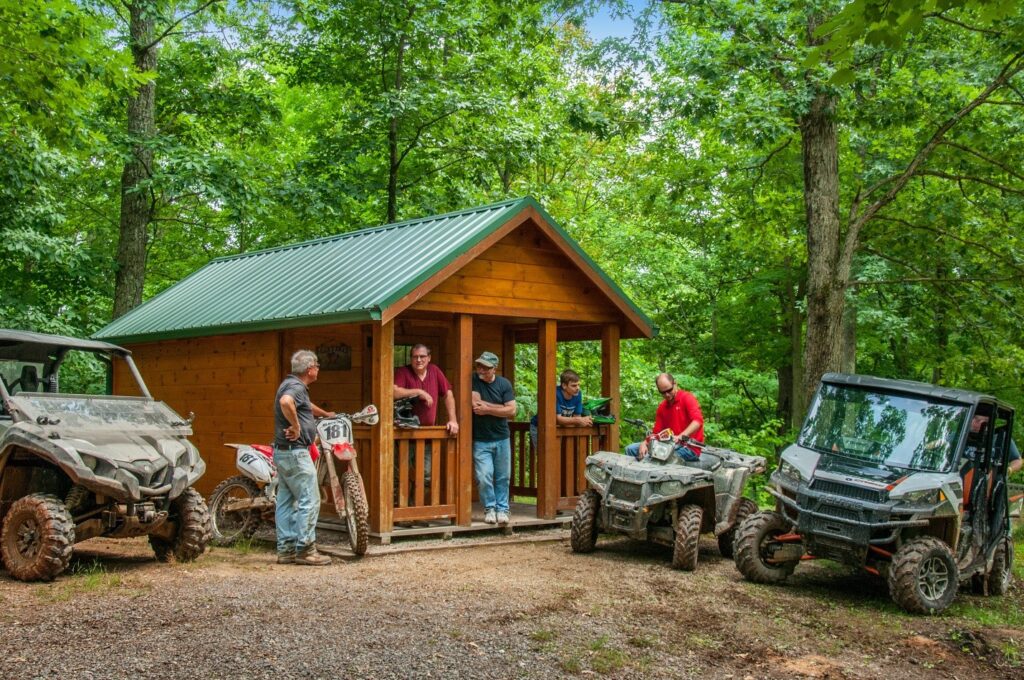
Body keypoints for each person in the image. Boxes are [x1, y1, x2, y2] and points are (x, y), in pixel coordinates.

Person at [273, 350, 335, 566]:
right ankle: (306, 549)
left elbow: (303, 406)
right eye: (317, 365)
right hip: (296, 452)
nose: (318, 368)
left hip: (283, 452)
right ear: (310, 369)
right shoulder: (295, 388)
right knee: (310, 499)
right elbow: (286, 402)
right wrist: (297, 427)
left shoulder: (290, 383)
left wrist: (325, 414)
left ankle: (286, 550)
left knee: (286, 500)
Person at [393, 344, 459, 501]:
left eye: (422, 356)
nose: (418, 360)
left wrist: (453, 420)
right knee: (400, 473)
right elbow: (393, 391)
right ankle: (401, 511)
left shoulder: (435, 371)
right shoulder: (403, 372)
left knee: (426, 475)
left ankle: (417, 510)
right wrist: (419, 392)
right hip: (405, 434)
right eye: (415, 357)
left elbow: (448, 394)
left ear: (429, 358)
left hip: (428, 436)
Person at [471, 351, 516, 526]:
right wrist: (500, 409)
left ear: (494, 369)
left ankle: (503, 508)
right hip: (481, 439)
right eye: (479, 366)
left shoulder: (504, 384)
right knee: (484, 476)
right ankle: (490, 507)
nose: (481, 369)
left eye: (485, 367)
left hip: (502, 438)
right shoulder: (474, 379)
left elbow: (512, 410)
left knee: (503, 476)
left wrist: (488, 409)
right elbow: (476, 405)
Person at [624, 373, 704, 462]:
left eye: (669, 390)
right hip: (667, 445)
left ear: (675, 384)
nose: (667, 395)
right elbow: (656, 433)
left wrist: (681, 436)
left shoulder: (687, 398)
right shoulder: (662, 407)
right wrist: (645, 443)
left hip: (688, 448)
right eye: (662, 392)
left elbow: (697, 421)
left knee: (661, 457)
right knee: (630, 449)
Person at [529, 369, 593, 449]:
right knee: (545, 456)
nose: (577, 388)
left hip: (560, 429)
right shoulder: (554, 393)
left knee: (561, 457)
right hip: (540, 427)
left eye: (578, 385)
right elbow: (557, 419)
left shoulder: (578, 394)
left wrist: (588, 420)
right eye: (574, 385)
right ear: (564, 385)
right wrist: (579, 420)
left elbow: (577, 416)